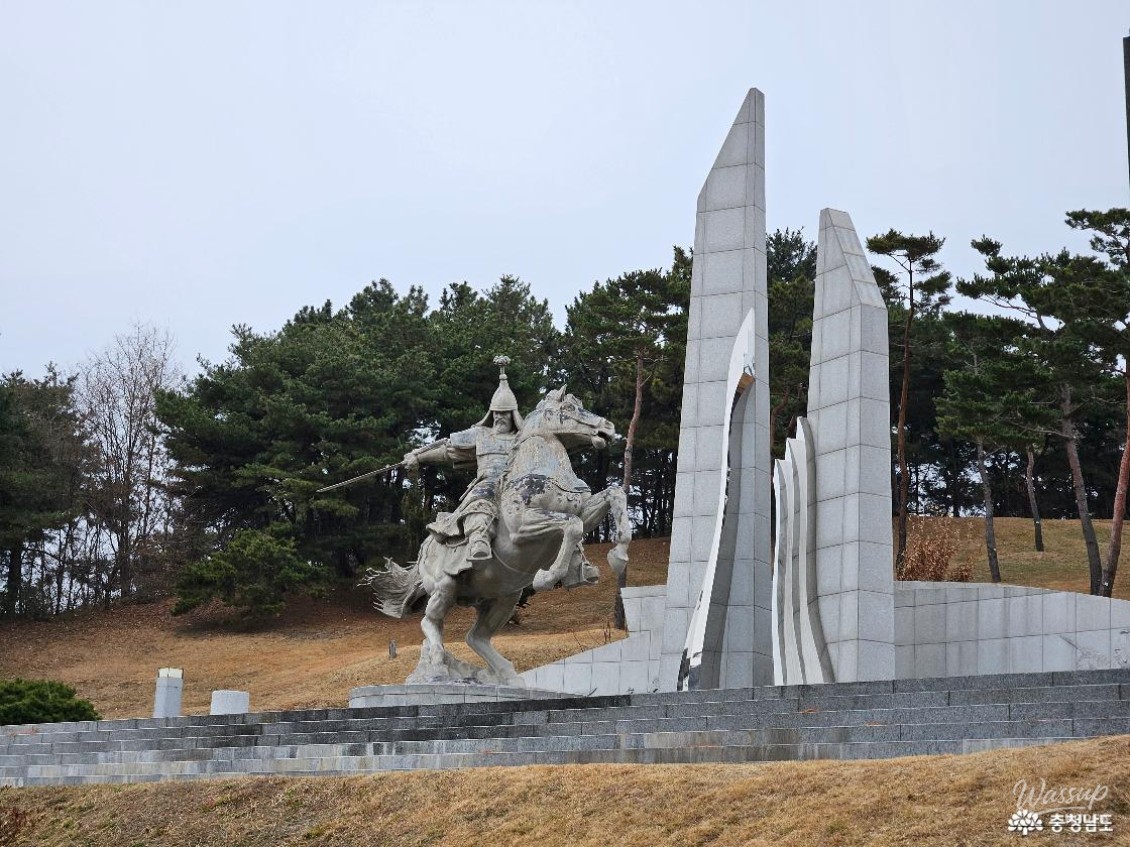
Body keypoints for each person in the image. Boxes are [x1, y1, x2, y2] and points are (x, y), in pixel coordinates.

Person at [403, 357, 522, 562]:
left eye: (505, 414)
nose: (501, 418)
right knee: (479, 502)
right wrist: (418, 456)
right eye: (497, 414)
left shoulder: (524, 437)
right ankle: (479, 540)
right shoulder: (481, 435)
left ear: (514, 414)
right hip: (488, 483)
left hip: (520, 484)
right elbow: (447, 450)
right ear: (491, 414)